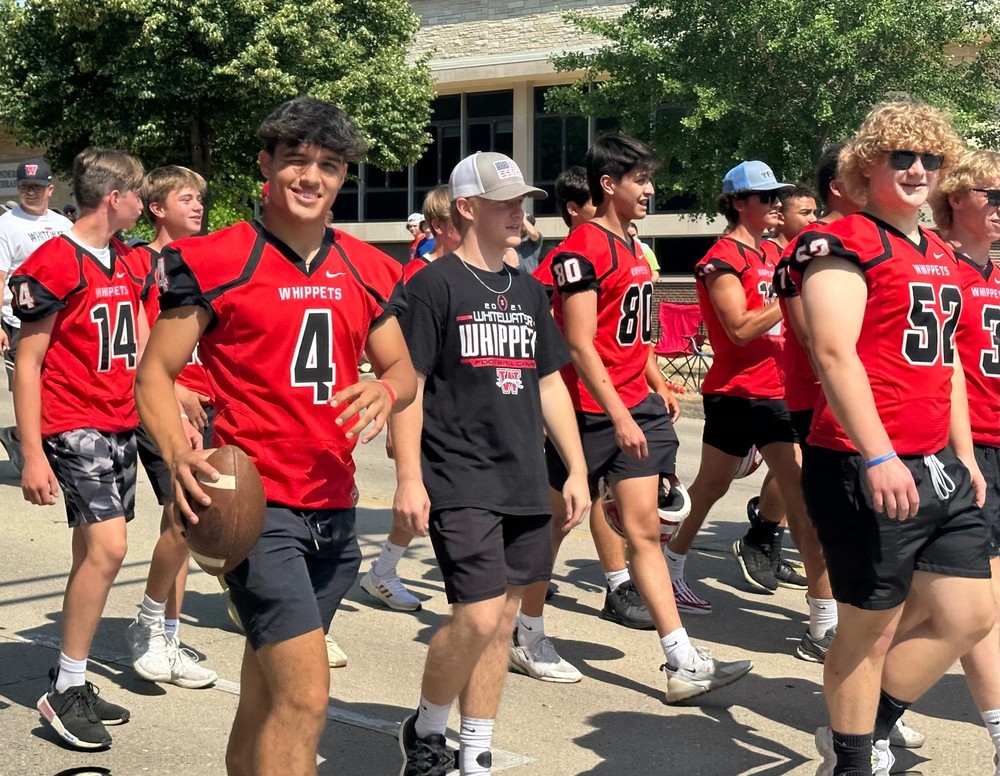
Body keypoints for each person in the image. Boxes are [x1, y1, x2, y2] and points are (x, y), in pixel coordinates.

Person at [135, 96, 416, 776]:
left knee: (265, 694)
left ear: (344, 175)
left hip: (334, 505)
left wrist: (385, 388)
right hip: (257, 506)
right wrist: (182, 460)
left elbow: (404, 370)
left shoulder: (369, 267)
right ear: (266, 165)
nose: (311, 177)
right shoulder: (213, 258)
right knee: (306, 694)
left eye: (329, 165)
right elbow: (154, 374)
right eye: (296, 160)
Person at [794, 102, 994, 776]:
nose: (918, 170)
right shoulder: (840, 239)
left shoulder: (936, 248)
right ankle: (853, 760)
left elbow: (950, 365)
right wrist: (878, 453)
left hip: (937, 461)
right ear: (866, 165)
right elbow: (832, 352)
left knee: (970, 613)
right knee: (868, 630)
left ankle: (864, 728)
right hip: (862, 461)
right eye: (901, 157)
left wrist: (962, 453)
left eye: (931, 159)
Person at [392, 151, 590, 775]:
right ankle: (426, 729)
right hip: (458, 474)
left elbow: (552, 384)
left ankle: (474, 749)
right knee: (475, 615)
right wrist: (406, 478)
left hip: (525, 477)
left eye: (522, 201)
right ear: (468, 209)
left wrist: (577, 469)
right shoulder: (431, 286)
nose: (519, 213)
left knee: (503, 621)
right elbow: (408, 383)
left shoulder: (530, 291)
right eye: (505, 202)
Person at [548, 133, 752, 703]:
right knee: (551, 526)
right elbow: (582, 344)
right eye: (640, 179)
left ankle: (681, 658)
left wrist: (655, 380)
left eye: (650, 179)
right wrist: (618, 414)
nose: (650, 190)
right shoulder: (579, 252)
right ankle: (524, 630)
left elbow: (630, 334)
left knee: (643, 531)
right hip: (589, 412)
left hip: (632, 403)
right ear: (608, 184)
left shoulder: (633, 247)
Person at [663, 161, 833, 662]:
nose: (776, 204)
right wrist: (790, 289)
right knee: (717, 488)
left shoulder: (776, 251)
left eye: (778, 196)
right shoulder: (722, 257)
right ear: (739, 203)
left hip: (779, 391)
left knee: (787, 492)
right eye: (765, 198)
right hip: (741, 393)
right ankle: (670, 565)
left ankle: (821, 618)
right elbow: (737, 328)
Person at [9, 148, 146, 750]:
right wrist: (33, 451)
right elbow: (27, 361)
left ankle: (72, 673)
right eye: (138, 192)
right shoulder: (54, 260)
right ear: (113, 197)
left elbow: (139, 344)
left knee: (90, 551)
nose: (143, 203)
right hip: (73, 423)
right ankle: (64, 690)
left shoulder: (126, 259)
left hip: (118, 420)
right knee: (111, 548)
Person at [125, 165, 217, 690]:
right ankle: (151, 624)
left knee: (185, 523)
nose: (198, 207)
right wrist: (176, 393)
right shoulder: (143, 261)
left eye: (200, 198)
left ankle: (167, 632)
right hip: (160, 400)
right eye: (187, 199)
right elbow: (142, 335)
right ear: (158, 208)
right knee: (185, 516)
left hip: (204, 400)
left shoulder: (206, 258)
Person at [926, 149, 1000, 769]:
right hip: (961, 450)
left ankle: (870, 718)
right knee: (978, 608)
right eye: (992, 197)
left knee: (935, 607)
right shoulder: (935, 266)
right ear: (958, 198)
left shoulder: (992, 272)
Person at [360, 184, 461, 612]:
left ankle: (382, 571)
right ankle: (382, 572)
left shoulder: (472, 270)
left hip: (460, 403)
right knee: (429, 495)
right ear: (440, 227)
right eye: (462, 221)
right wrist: (400, 417)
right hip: (428, 402)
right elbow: (398, 353)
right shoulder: (419, 276)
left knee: (439, 497)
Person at [0, 158, 74, 472]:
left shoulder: (64, 226)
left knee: (59, 391)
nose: (31, 192)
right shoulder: (6, 225)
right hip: (20, 323)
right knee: (33, 393)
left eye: (38, 187)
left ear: (50, 189)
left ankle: (18, 436)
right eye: (25, 187)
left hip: (63, 323)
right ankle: (32, 448)